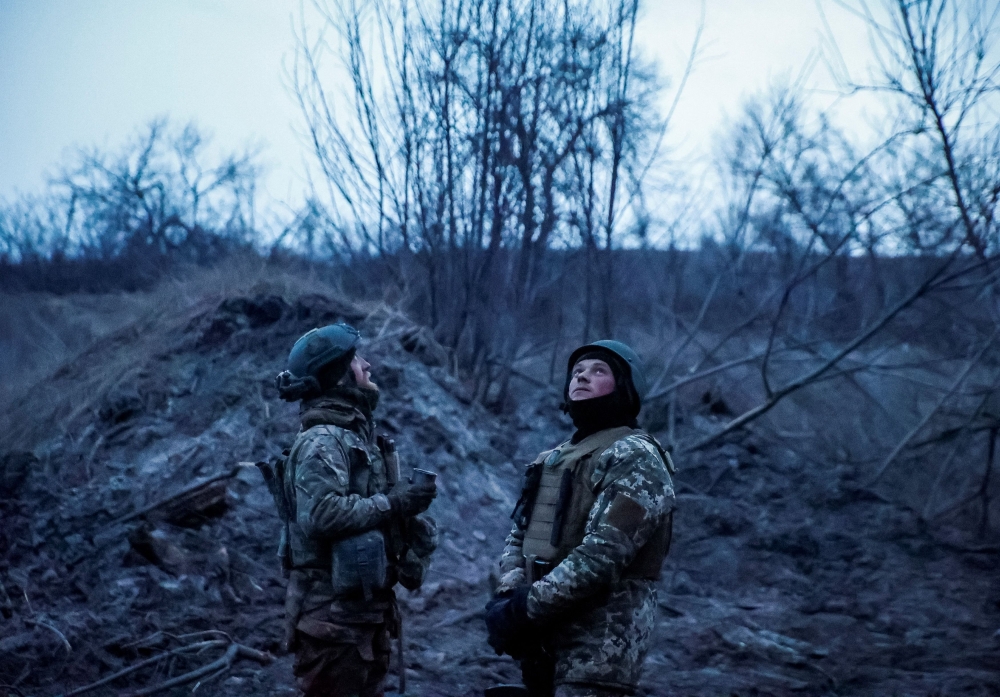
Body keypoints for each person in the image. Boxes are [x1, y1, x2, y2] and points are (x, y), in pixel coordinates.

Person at [485, 340, 676, 697]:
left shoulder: (637, 455)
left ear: (625, 387)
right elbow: (519, 535)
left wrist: (525, 606)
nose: (583, 377)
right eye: (577, 372)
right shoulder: (554, 457)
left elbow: (603, 555)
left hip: (600, 641)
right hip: (543, 632)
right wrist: (510, 593)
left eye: (598, 371)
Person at [270, 323, 438, 697]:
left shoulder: (351, 435)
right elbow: (321, 515)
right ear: (338, 374)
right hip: (333, 621)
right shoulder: (322, 440)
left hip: (360, 617)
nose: (368, 365)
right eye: (357, 359)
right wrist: (394, 503)